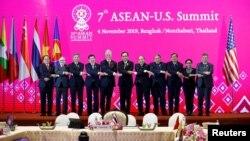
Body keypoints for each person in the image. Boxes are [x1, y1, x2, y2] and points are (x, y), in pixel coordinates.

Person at [100, 50, 117, 115]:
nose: (108, 55)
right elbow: (104, 69)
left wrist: (109, 73)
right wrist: (112, 73)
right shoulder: (102, 62)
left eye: (109, 54)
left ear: (111, 55)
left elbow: (115, 70)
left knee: (109, 98)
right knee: (102, 98)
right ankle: (102, 112)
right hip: (103, 83)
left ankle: (107, 112)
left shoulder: (114, 62)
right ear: (105, 55)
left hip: (111, 83)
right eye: (107, 54)